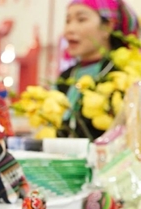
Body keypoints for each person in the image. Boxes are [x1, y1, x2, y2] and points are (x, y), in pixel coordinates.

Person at [57, 0, 139, 139]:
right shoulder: (66, 77)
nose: (69, 29)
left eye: (81, 19)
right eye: (68, 21)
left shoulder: (124, 75)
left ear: (107, 27)